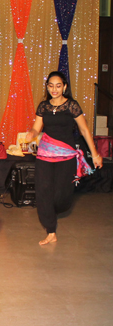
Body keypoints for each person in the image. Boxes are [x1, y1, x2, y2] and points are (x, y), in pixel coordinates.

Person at [26, 71, 102, 246]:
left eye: (58, 85)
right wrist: (32, 132)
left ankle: (54, 212)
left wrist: (95, 154)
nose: (54, 89)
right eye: (51, 85)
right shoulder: (43, 106)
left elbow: (84, 131)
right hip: (45, 153)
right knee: (43, 191)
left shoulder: (71, 106)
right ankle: (51, 230)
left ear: (64, 87)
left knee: (62, 196)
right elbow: (37, 127)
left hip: (66, 155)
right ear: (47, 87)